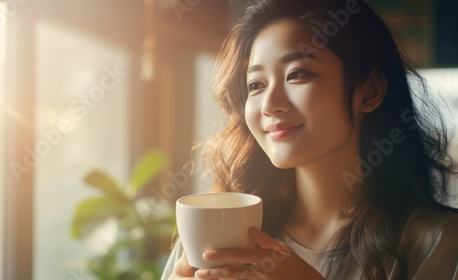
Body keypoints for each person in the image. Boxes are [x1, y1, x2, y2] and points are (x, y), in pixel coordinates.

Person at [161, 0, 458, 279]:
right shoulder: (215, 233)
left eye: (297, 74)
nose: (269, 104)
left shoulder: (441, 242)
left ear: (369, 91)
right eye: (256, 84)